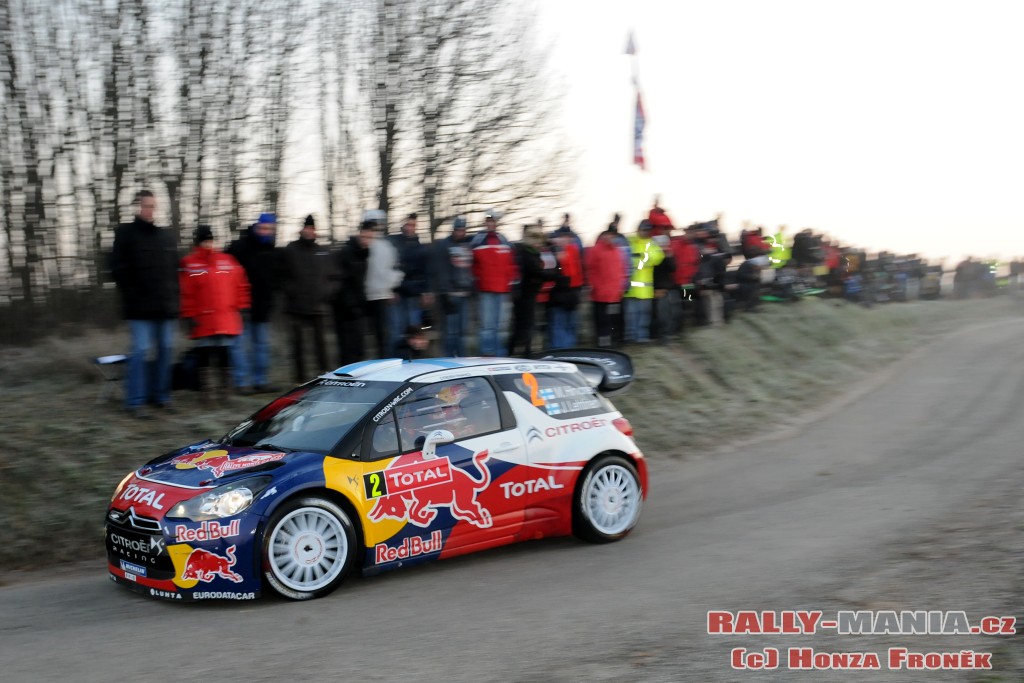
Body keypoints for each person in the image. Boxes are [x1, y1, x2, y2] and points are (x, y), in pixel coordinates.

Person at [109, 190, 179, 418]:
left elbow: (173, 271)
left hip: (164, 307)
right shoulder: (125, 233)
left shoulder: (166, 237)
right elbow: (117, 268)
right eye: (146, 205)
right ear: (137, 207)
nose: (150, 210)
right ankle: (134, 402)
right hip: (139, 307)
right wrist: (132, 292)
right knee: (140, 351)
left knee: (166, 349)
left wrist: (174, 299)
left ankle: (161, 397)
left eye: (153, 206)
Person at [180, 225, 251, 402]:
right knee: (204, 354)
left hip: (225, 318)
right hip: (203, 319)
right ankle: (207, 392)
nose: (208, 244)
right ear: (198, 242)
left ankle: (224, 392)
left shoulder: (227, 260)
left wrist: (242, 307)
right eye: (204, 240)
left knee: (224, 353)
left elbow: (241, 285)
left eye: (210, 240)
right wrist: (189, 315)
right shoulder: (189, 263)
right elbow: (186, 292)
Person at [280, 214, 338, 383]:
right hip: (296, 306)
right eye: (307, 228)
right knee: (298, 344)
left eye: (312, 228)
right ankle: (300, 378)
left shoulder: (322, 252)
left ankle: (324, 373)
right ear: (302, 229)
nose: (309, 231)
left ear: (315, 230)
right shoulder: (290, 250)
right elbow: (282, 276)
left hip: (318, 306)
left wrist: (327, 293)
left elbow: (334, 277)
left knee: (321, 344)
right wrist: (292, 292)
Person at [225, 213, 280, 394]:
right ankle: (242, 382)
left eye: (270, 229)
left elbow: (274, 278)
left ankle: (261, 381)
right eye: (263, 228)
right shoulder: (239, 247)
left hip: (263, 306)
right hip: (242, 306)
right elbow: (226, 272)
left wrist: (272, 297)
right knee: (241, 346)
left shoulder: (272, 250)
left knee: (261, 345)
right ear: (256, 227)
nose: (266, 232)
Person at [471, 209, 518, 356]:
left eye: (493, 221)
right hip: (486, 289)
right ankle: (486, 354)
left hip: (503, 290)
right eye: (488, 221)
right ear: (485, 223)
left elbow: (511, 264)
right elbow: (473, 265)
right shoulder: (478, 240)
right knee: (487, 326)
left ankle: (500, 354)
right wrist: (479, 279)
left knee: (501, 326)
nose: (491, 224)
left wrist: (512, 282)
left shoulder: (504, 240)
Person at [508, 224, 555, 356]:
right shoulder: (525, 253)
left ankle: (519, 351)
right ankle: (524, 352)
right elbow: (536, 271)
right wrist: (555, 275)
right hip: (524, 294)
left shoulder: (532, 252)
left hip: (529, 293)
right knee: (524, 325)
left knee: (524, 325)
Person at [362, 210, 404, 358]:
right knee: (380, 334)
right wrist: (393, 283)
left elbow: (390, 269)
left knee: (383, 334)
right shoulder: (371, 245)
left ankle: (385, 359)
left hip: (380, 295)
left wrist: (391, 286)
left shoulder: (385, 246)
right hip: (372, 295)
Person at [390, 213, 433, 355]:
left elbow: (425, 270)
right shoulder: (394, 244)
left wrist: (426, 292)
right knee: (398, 328)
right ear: (403, 225)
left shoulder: (420, 247)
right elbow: (389, 268)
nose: (411, 228)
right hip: (398, 293)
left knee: (415, 329)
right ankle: (397, 358)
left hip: (415, 293)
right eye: (408, 224)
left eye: (413, 225)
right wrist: (391, 289)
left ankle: (415, 359)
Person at [431, 216, 474, 356]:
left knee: (462, 330)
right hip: (451, 294)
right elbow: (441, 270)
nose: (459, 232)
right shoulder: (444, 245)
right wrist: (446, 291)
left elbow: (469, 268)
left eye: (462, 230)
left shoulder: (467, 245)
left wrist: (471, 286)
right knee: (450, 330)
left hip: (465, 293)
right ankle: (449, 357)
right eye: (457, 229)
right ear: (453, 230)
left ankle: (461, 357)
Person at [334, 219, 374, 365]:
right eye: (366, 237)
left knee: (358, 347)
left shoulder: (364, 255)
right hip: (345, 308)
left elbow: (360, 283)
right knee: (347, 348)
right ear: (360, 234)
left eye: (371, 238)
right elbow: (343, 282)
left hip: (357, 306)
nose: (368, 241)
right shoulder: (347, 252)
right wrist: (351, 305)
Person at [623, 220, 664, 343]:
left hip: (645, 290)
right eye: (644, 229)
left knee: (644, 315)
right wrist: (643, 258)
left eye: (648, 230)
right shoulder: (629, 241)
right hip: (631, 288)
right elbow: (623, 257)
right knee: (630, 315)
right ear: (638, 229)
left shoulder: (652, 244)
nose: (646, 232)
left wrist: (640, 259)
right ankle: (630, 337)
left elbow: (658, 258)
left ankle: (642, 337)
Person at [586, 229, 627, 347]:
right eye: (609, 235)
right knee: (602, 321)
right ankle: (603, 344)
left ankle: (615, 341)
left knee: (615, 320)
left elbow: (622, 270)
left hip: (615, 295)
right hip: (601, 295)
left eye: (613, 236)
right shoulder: (595, 250)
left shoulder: (618, 250)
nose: (611, 238)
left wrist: (621, 286)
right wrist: (594, 286)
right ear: (604, 236)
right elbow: (590, 270)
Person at [547, 230, 583, 348]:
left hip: (571, 293)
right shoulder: (552, 251)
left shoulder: (573, 251)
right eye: (562, 237)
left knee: (570, 323)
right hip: (559, 293)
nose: (565, 240)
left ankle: (569, 348)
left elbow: (577, 272)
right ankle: (559, 349)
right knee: (559, 323)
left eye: (567, 237)